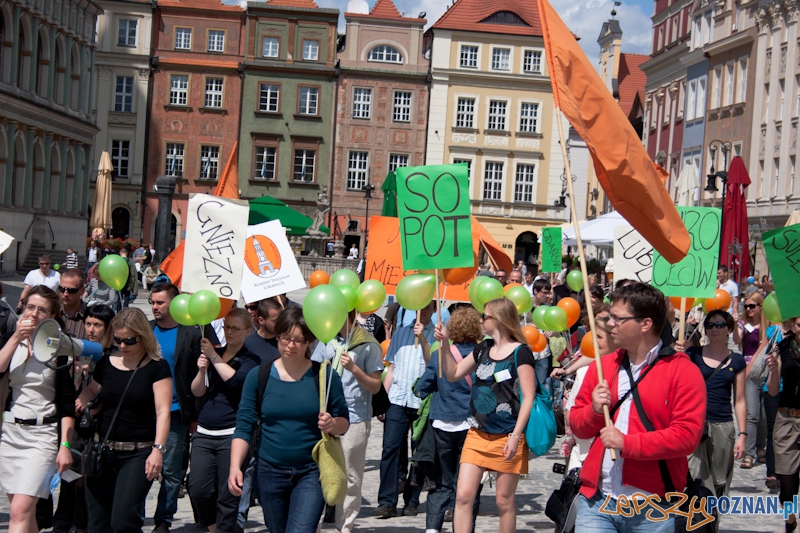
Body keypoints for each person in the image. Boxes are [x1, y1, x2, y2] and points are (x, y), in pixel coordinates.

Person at [570, 282, 706, 532]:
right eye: (610, 317)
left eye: (618, 319)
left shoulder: (683, 371)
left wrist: (628, 444)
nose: (609, 324)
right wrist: (594, 411)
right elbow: (578, 427)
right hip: (598, 501)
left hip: (654, 505)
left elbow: (687, 437)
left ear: (645, 324)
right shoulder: (603, 366)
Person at [229, 307, 350, 533]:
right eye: (285, 338)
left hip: (311, 472)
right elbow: (244, 424)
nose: (290, 345)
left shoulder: (324, 376)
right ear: (278, 336)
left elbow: (344, 421)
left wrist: (332, 424)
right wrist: (235, 466)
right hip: (268, 471)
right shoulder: (259, 376)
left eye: (298, 340)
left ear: (309, 342)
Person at [433, 298, 536, 533]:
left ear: (498, 320)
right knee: (462, 497)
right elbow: (454, 373)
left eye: (485, 317)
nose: (481, 321)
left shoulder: (521, 353)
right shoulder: (483, 348)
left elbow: (528, 397)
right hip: (477, 433)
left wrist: (515, 436)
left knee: (503, 501)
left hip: (507, 435)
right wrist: (445, 344)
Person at [79, 308, 172, 533]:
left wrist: (158, 450)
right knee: (97, 523)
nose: (122, 346)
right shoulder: (105, 363)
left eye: (129, 340)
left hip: (138, 452)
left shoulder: (157, 367)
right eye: (118, 340)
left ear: (143, 336)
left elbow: (163, 412)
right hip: (103, 450)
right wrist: (82, 399)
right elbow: (91, 394)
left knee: (123, 522)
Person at [0, 286, 75, 533]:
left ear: (52, 317)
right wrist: (15, 339)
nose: (33, 314)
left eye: (42, 310)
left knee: (19, 511)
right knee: (24, 513)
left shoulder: (58, 351)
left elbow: (66, 404)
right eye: (30, 307)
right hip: (10, 433)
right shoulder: (12, 342)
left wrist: (64, 445)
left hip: (41, 436)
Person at [311, 309, 384, 533]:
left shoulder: (368, 344)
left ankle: (345, 526)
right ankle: (313, 522)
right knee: (319, 472)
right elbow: (312, 373)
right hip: (326, 415)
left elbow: (375, 386)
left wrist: (353, 368)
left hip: (355, 417)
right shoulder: (325, 340)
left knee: (351, 474)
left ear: (347, 315)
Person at [189, 308, 259, 533]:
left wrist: (213, 357)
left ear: (248, 331)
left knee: (227, 496)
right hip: (205, 432)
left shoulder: (251, 360)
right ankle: (212, 527)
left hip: (232, 434)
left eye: (235, 328)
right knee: (198, 489)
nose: (229, 332)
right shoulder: (214, 354)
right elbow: (197, 392)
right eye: (227, 327)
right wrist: (201, 371)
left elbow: (236, 381)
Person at [415, 307, 481, 533]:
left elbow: (423, 387)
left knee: (441, 481)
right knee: (469, 485)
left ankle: (432, 528)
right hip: (471, 425)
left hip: (442, 423)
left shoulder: (439, 354)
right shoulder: (482, 355)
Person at [374, 300, 437, 518]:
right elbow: (391, 367)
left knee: (419, 454)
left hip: (422, 402)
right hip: (397, 399)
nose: (424, 311)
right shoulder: (400, 334)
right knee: (390, 450)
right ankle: (386, 501)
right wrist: (381, 400)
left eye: (428, 307)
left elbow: (433, 365)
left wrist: (424, 340)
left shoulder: (437, 335)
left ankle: (412, 500)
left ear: (435, 309)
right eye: (421, 307)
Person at [148, 283, 202, 533]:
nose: (154, 307)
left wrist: (194, 415)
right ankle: (134, 513)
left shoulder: (189, 333)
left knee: (170, 470)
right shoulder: (146, 330)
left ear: (175, 303)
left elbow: (194, 375)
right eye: (152, 302)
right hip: (144, 409)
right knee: (141, 466)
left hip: (175, 412)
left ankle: (163, 519)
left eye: (160, 302)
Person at [677, 310, 747, 498]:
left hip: (722, 425)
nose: (714, 329)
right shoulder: (693, 354)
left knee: (719, 481)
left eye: (719, 325)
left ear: (729, 329)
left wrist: (742, 435)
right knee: (694, 477)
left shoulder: (737, 360)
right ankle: (696, 520)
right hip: (694, 424)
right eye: (710, 325)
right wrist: (678, 355)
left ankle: (712, 522)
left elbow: (740, 400)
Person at [766, 315, 800, 532]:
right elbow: (771, 390)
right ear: (793, 325)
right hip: (788, 419)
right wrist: (773, 370)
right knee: (787, 488)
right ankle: (790, 520)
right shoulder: (783, 347)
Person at [733, 292, 768, 469]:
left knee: (763, 414)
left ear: (761, 306)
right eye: (746, 306)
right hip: (748, 369)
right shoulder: (744, 324)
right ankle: (749, 453)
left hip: (767, 370)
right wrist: (736, 323)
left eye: (752, 306)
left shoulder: (768, 324)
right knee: (752, 413)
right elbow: (737, 339)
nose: (748, 309)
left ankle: (761, 446)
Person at [532, 280, 554, 390]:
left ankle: (540, 407)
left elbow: (558, 328)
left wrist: (552, 331)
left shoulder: (548, 309)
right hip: (527, 351)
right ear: (535, 291)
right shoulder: (525, 307)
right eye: (544, 292)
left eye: (548, 293)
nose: (547, 296)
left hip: (543, 353)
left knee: (542, 386)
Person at [58, 268, 88, 340]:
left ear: (82, 291)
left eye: (71, 290)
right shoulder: (52, 313)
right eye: (62, 289)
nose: (65, 294)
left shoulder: (90, 316)